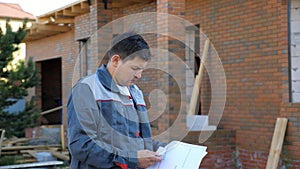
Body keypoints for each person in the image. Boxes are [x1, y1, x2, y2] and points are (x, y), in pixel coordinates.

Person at [67, 31, 166, 169]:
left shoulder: (136, 93)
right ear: (115, 61)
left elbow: (138, 141)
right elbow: (81, 145)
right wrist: (131, 160)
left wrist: (166, 149)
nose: (139, 75)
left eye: (142, 70)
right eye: (135, 68)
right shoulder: (86, 89)